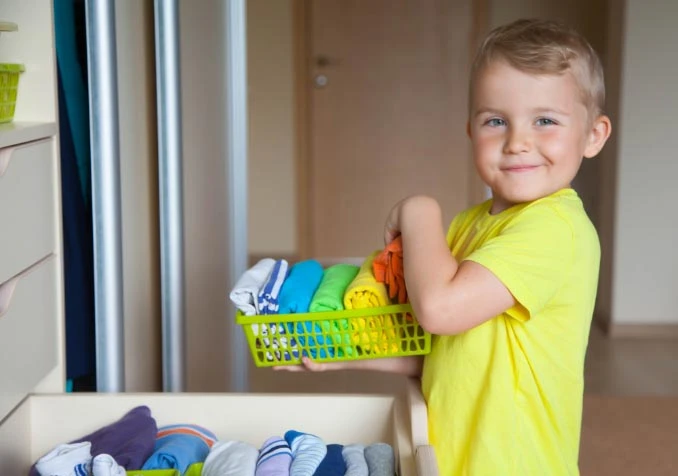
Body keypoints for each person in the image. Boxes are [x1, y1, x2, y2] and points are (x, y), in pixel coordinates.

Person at [277, 18, 611, 475]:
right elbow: (439, 348)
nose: (517, 142)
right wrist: (340, 351)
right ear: (472, 132)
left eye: (545, 121)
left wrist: (418, 209)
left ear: (593, 135)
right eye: (496, 120)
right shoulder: (471, 224)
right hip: (457, 456)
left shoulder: (555, 230)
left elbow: (439, 310)